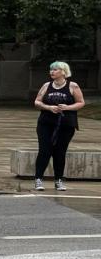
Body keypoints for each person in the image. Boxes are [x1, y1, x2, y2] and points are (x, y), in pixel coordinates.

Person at [33, 61, 85, 191]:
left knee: (59, 152)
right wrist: (48, 107)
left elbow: (81, 102)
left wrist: (68, 107)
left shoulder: (73, 86)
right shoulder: (46, 85)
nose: (52, 72)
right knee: (45, 150)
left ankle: (59, 180)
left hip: (65, 125)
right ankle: (38, 179)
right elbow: (37, 101)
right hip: (46, 123)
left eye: (55, 69)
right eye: (51, 69)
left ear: (63, 71)